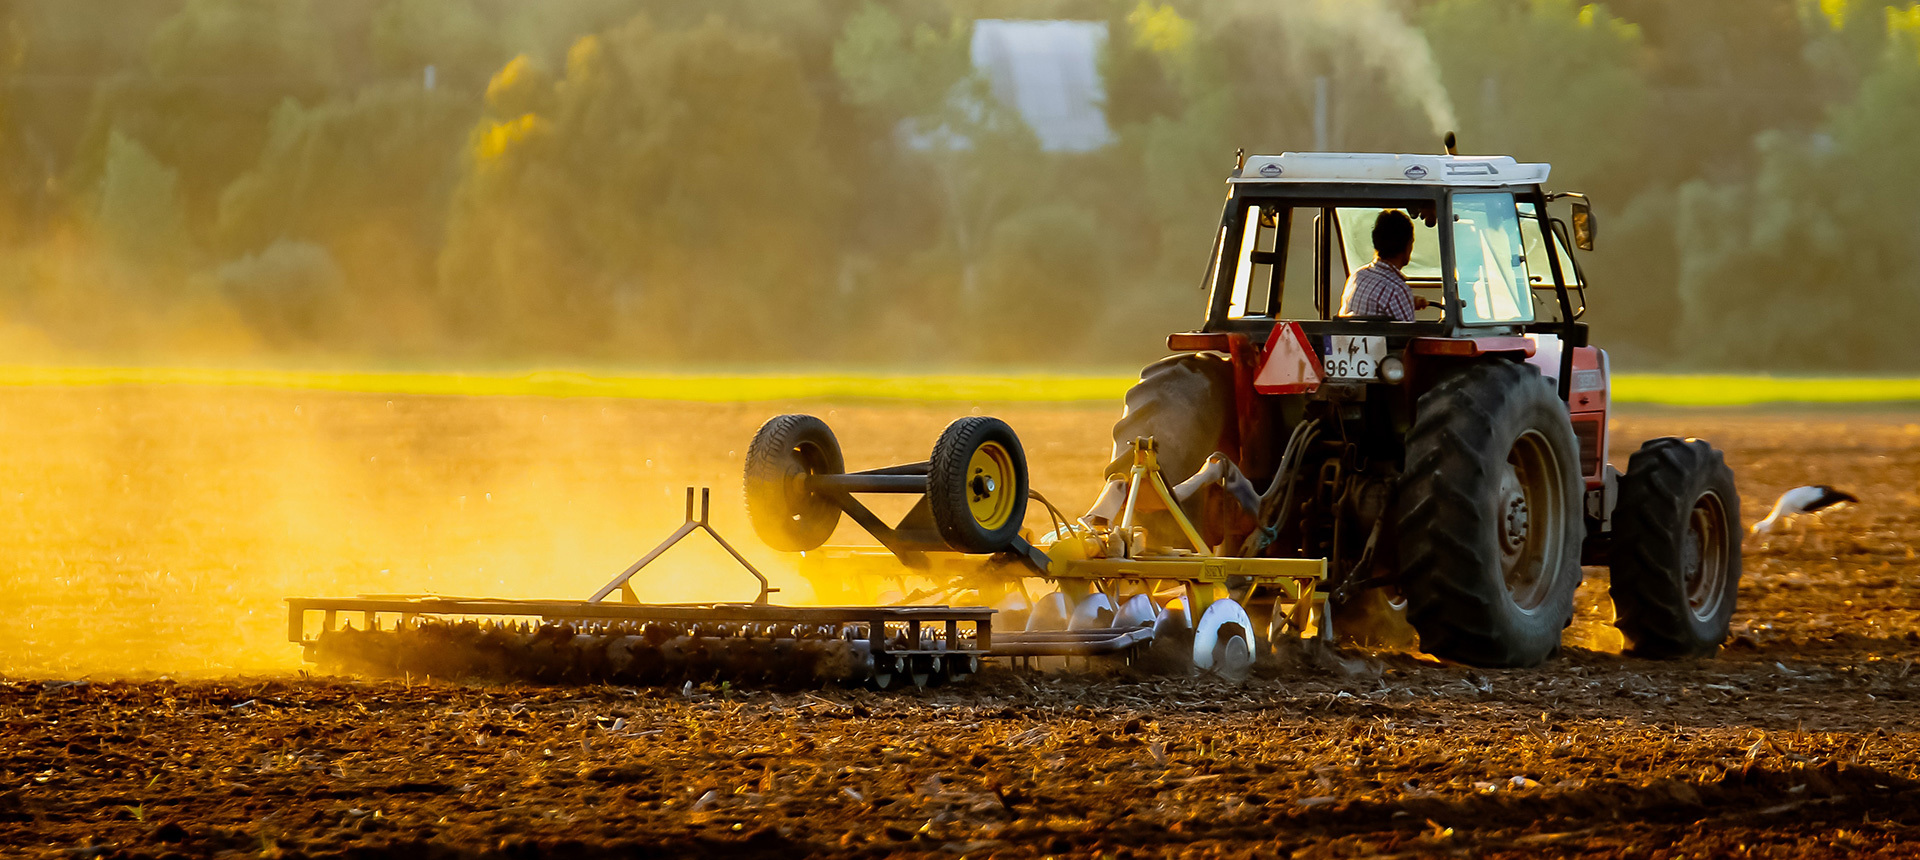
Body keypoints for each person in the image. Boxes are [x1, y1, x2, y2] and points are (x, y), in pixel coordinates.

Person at [1338, 209, 1429, 321]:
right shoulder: (1397, 291)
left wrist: (1409, 301)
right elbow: (1408, 337)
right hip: (1380, 339)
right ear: (1407, 245)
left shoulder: (1357, 277)